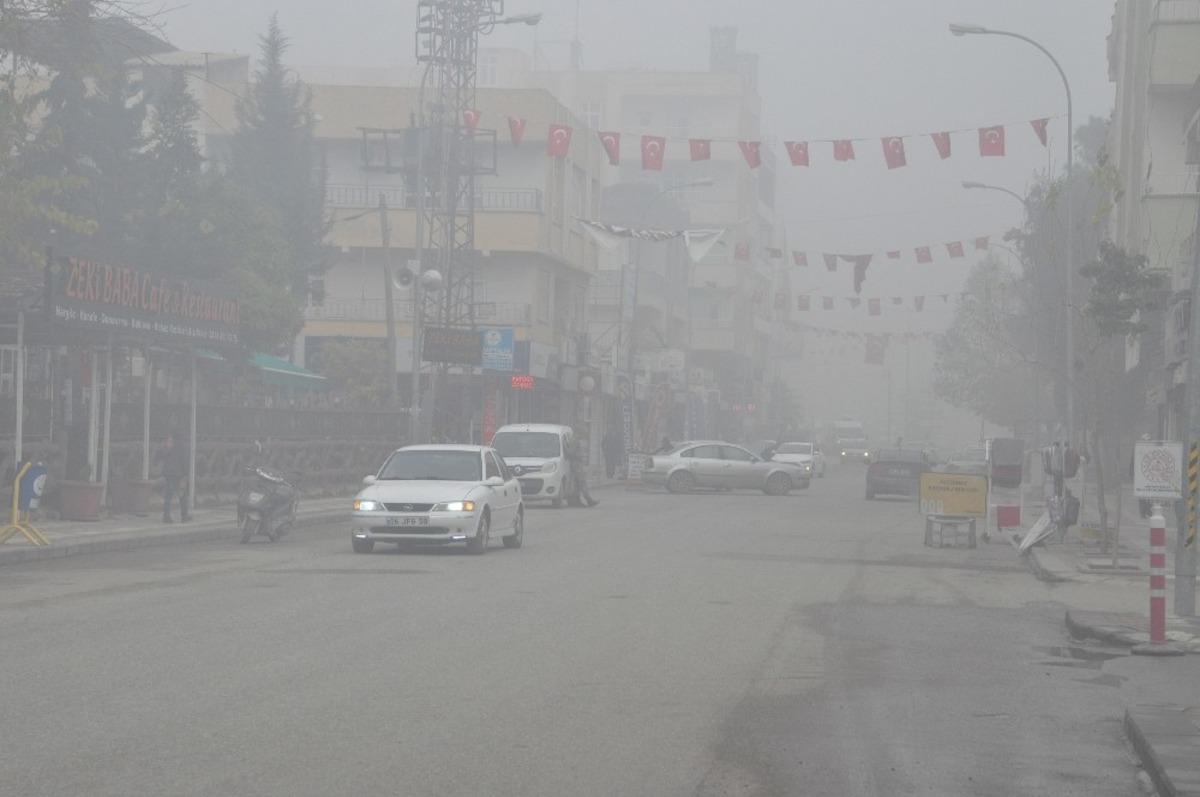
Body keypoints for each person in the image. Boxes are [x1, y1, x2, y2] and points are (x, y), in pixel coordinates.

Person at [158, 433, 191, 523]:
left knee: (168, 495)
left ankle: (166, 516)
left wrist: (165, 447)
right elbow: (184, 460)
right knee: (182, 494)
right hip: (179, 473)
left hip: (168, 473)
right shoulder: (182, 445)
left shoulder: (169, 444)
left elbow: (161, 456)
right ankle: (184, 516)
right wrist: (186, 474)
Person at [566, 438, 598, 508]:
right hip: (576, 464)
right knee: (582, 482)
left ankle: (576, 501)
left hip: (576, 463)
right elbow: (570, 453)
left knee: (576, 484)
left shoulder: (573, 439)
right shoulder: (574, 440)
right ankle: (588, 500)